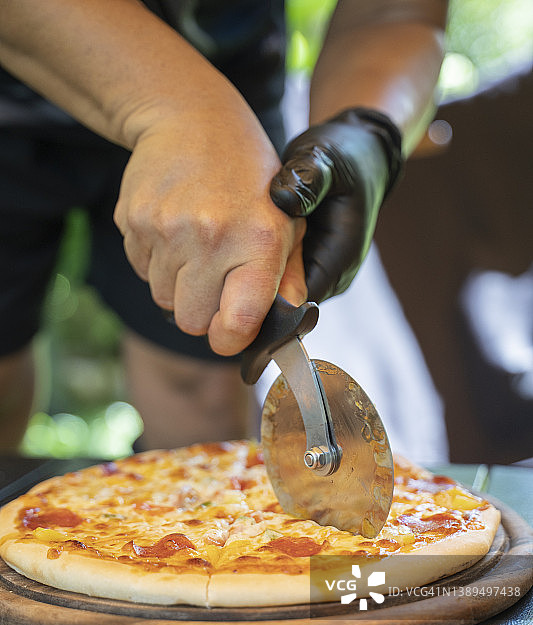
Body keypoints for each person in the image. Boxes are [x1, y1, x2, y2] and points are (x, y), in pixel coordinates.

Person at [0, 0, 448, 451]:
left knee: (204, 391)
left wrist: (368, 130)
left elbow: (395, 14)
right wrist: (181, 110)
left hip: (228, 69)